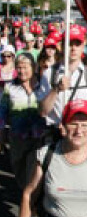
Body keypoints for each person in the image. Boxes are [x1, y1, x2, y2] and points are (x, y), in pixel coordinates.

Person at [37, 24, 87, 135]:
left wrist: (72, 127)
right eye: (69, 44)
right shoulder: (49, 73)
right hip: (56, 134)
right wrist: (56, 90)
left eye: (77, 44)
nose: (73, 48)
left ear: (83, 45)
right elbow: (42, 111)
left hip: (82, 135)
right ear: (62, 46)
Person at [0, 53, 46, 189]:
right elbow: (2, 113)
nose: (21, 71)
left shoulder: (42, 85)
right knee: (19, 170)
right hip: (17, 138)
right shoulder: (10, 88)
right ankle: (26, 194)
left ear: (33, 67)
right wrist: (1, 133)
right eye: (19, 67)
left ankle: (31, 201)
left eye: (25, 67)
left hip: (39, 138)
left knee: (35, 173)